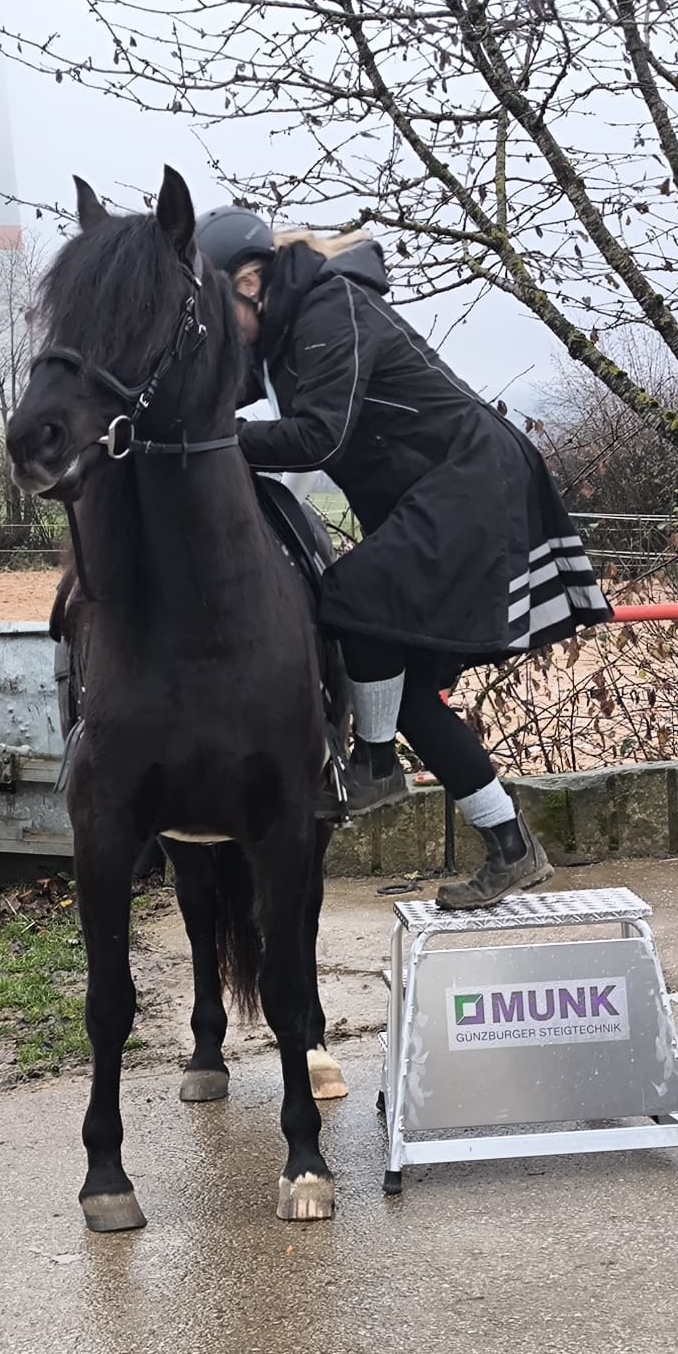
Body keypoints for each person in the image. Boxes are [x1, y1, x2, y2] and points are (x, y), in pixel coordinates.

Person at [194, 205, 614, 909]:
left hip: (469, 481)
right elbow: (213, 391)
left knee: (352, 597)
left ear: (250, 283)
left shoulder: (332, 307)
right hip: (436, 491)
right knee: (408, 693)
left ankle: (377, 764)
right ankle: (512, 848)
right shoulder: (279, 331)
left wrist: (223, 439)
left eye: (214, 310)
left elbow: (319, 439)